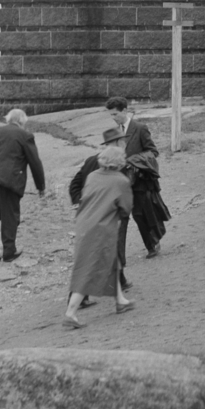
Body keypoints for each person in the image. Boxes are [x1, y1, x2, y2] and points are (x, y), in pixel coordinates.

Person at [63, 146, 135, 327]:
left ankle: (120, 300)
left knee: (112, 262)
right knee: (90, 267)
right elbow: (126, 207)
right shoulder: (121, 181)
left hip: (83, 222)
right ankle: (70, 313)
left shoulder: (92, 175)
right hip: (102, 227)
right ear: (119, 161)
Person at [0, 108, 45, 261]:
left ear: (8, 120)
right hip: (11, 180)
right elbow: (35, 163)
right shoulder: (25, 136)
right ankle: (9, 252)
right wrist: (40, 187)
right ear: (22, 121)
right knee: (10, 214)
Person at [70, 126, 134, 302]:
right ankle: (76, 302)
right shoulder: (118, 165)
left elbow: (74, 185)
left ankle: (119, 292)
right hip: (110, 217)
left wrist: (80, 202)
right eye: (122, 140)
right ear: (114, 143)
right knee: (99, 254)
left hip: (88, 216)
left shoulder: (92, 160)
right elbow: (123, 196)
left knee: (100, 254)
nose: (124, 143)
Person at [107, 96, 163, 257]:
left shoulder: (140, 128)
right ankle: (119, 258)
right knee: (121, 217)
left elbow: (153, 151)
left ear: (124, 110)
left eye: (115, 114)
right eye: (111, 115)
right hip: (121, 181)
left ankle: (152, 245)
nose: (113, 118)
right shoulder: (114, 132)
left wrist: (134, 161)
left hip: (139, 180)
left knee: (140, 214)